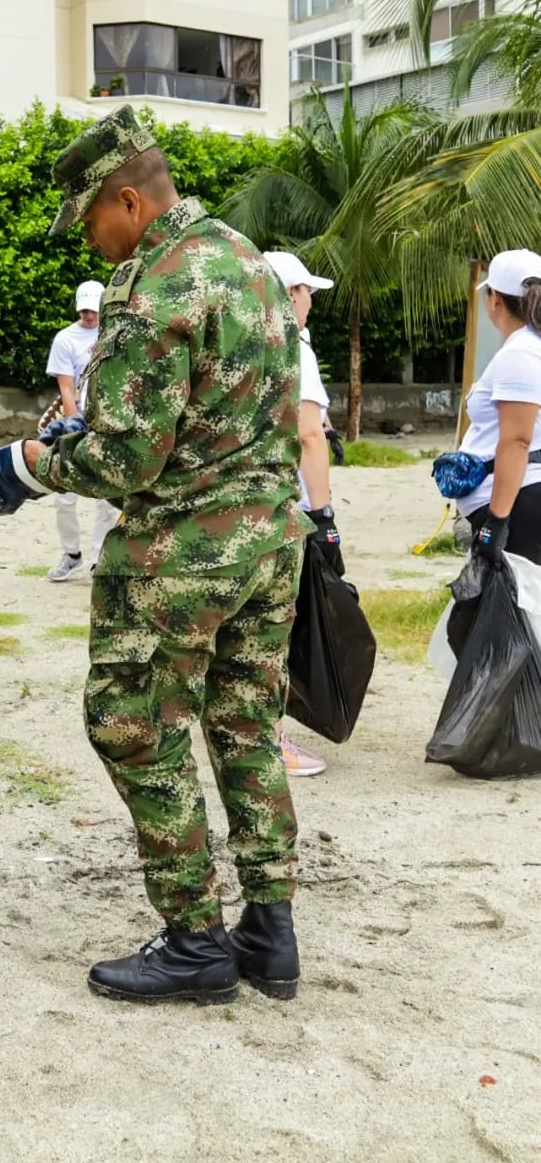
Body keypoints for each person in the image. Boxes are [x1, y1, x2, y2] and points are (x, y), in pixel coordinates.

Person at [0, 106, 306, 1005]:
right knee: (246, 725)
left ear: (127, 201)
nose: (91, 241)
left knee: (132, 726)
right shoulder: (250, 263)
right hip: (270, 536)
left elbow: (123, 459)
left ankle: (195, 939)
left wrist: (28, 465)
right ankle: (270, 929)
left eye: (92, 221)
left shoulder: (152, 287)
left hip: (185, 550)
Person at [265, 251, 341, 779]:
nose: (311, 300)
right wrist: (325, 516)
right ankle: (270, 741)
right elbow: (309, 435)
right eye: (307, 290)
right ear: (290, 293)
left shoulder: (231, 338)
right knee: (273, 628)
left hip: (230, 502)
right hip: (281, 509)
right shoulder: (295, 348)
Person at [457, 249, 541, 565]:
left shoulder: (521, 353)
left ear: (495, 300)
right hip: (522, 498)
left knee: (508, 610)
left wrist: (496, 521)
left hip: (519, 503)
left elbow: (517, 440)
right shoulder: (528, 347)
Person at [44, 280, 121, 582]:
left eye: (93, 309)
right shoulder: (66, 339)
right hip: (77, 418)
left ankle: (98, 558)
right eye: (84, 310)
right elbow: (66, 386)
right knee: (64, 493)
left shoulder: (115, 334)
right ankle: (71, 554)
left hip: (108, 422)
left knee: (107, 496)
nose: (89, 316)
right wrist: (73, 425)